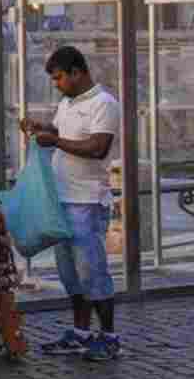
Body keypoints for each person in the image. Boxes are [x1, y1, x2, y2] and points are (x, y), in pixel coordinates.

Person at [20, 46, 122, 361]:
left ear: (77, 72)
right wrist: (42, 129)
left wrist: (57, 141)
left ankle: (108, 336)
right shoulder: (67, 103)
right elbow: (60, 132)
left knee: (93, 272)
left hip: (87, 202)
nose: (56, 83)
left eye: (59, 77)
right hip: (62, 200)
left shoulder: (104, 104)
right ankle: (79, 333)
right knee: (71, 275)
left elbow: (97, 147)